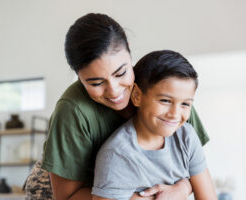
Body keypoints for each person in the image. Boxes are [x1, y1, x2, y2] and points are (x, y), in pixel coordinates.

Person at [24, 13, 209, 200]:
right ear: (79, 78)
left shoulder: (166, 95)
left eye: (121, 73)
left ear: (130, 55)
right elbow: (66, 196)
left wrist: (182, 188)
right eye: (96, 83)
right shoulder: (73, 110)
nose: (114, 91)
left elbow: (193, 165)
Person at [92, 50, 217, 200]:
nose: (175, 114)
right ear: (137, 96)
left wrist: (184, 187)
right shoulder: (117, 155)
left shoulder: (186, 136)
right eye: (165, 101)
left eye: (185, 104)